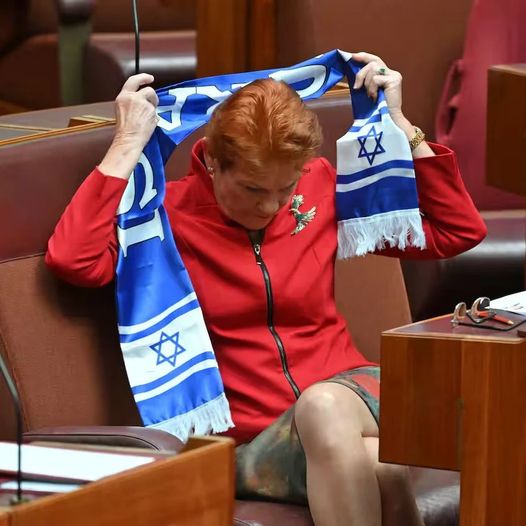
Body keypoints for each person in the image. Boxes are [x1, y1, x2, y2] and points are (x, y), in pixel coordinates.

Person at [46, 52, 486, 526]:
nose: (274, 205)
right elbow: (75, 261)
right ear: (213, 161)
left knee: (323, 406)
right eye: (255, 190)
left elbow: (454, 231)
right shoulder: (164, 219)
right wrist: (127, 142)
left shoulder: (319, 187)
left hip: (354, 392)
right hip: (255, 441)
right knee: (383, 467)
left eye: (286, 187)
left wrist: (402, 124)